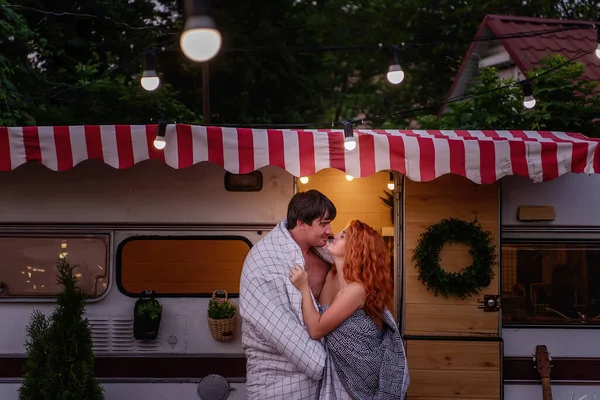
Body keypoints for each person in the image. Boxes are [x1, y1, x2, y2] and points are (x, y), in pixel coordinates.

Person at [290, 219, 410, 399]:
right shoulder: (331, 276)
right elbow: (321, 320)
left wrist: (303, 287)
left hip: (365, 370)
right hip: (338, 369)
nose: (335, 235)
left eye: (343, 235)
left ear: (356, 247)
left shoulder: (357, 289)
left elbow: (316, 329)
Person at [239, 189, 337, 399]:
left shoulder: (324, 253)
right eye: (324, 223)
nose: (330, 230)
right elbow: (282, 332)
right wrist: (325, 366)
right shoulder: (264, 261)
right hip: (277, 382)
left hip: (319, 383)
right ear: (302, 223)